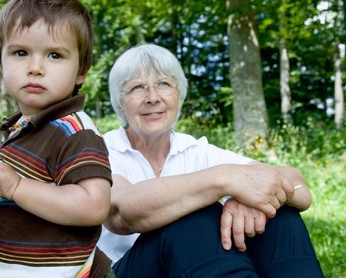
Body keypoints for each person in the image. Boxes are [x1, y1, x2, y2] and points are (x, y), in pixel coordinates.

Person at [97, 43, 324, 277]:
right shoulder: (101, 148)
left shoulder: (195, 149)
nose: (152, 97)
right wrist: (223, 181)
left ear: (179, 95)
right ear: (120, 105)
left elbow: (298, 187)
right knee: (195, 216)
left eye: (164, 84)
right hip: (127, 271)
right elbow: (121, 213)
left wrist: (248, 200)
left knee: (279, 215)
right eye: (137, 88)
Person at [0, 0, 112, 277]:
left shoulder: (74, 131)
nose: (35, 68)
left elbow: (93, 205)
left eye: (55, 55)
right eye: (21, 53)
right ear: (1, 62)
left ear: (81, 71)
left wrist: (17, 188)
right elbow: (31, 193)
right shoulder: (20, 127)